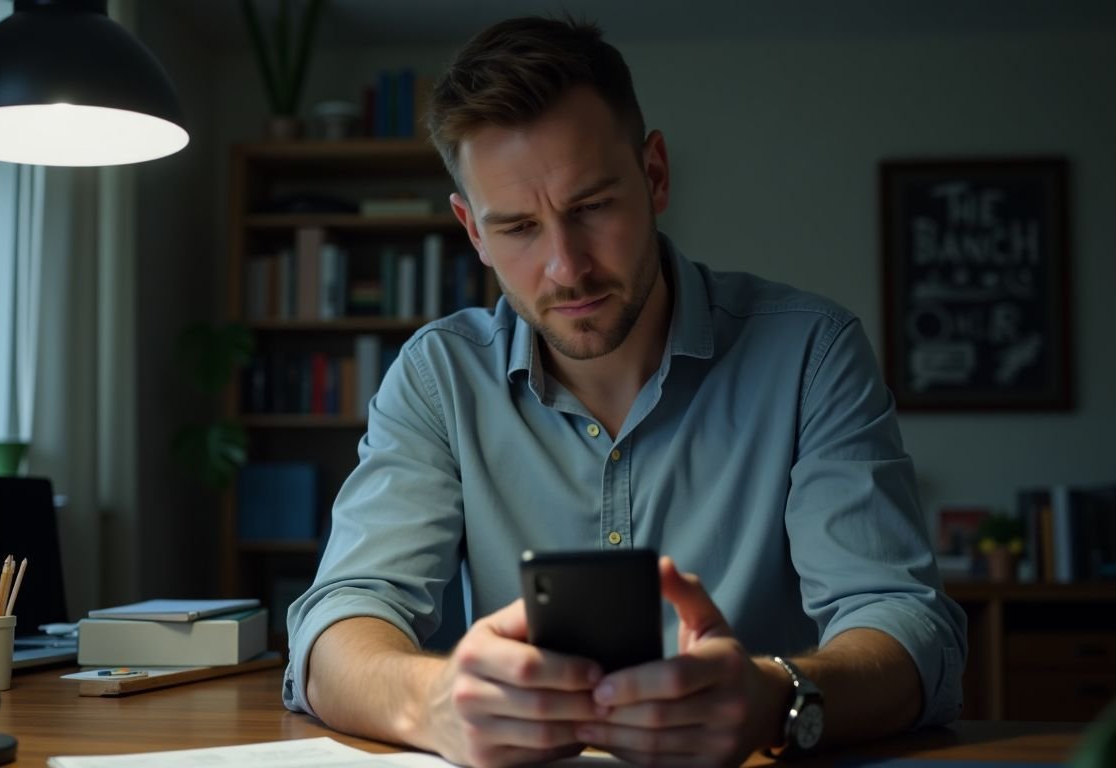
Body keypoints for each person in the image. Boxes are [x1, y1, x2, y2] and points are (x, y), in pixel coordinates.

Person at [283, 15, 966, 767]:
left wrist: (774, 696)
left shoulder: (811, 353)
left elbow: (909, 631)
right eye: (516, 228)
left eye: (592, 207)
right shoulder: (438, 378)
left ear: (656, 174)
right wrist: (436, 702)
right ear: (470, 230)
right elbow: (337, 628)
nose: (565, 268)